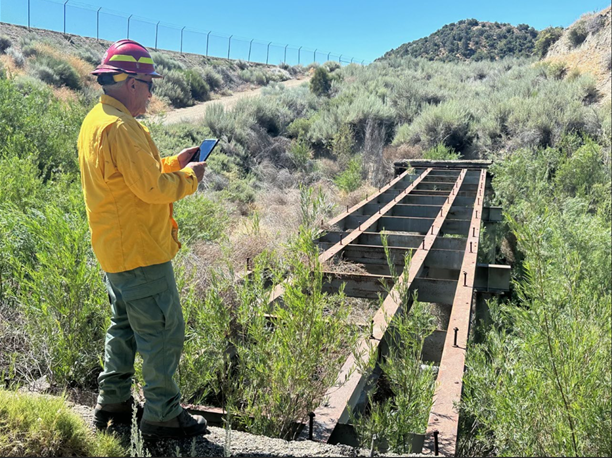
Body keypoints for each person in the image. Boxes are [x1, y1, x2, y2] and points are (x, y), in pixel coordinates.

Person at [77, 39, 208, 439]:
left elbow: (130, 177)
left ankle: (112, 401)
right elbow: (151, 189)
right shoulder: (121, 127)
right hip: (140, 252)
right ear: (131, 82)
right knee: (163, 331)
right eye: (149, 84)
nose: (151, 93)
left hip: (116, 251)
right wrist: (190, 179)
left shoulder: (98, 120)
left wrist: (172, 163)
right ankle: (162, 414)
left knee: (125, 327)